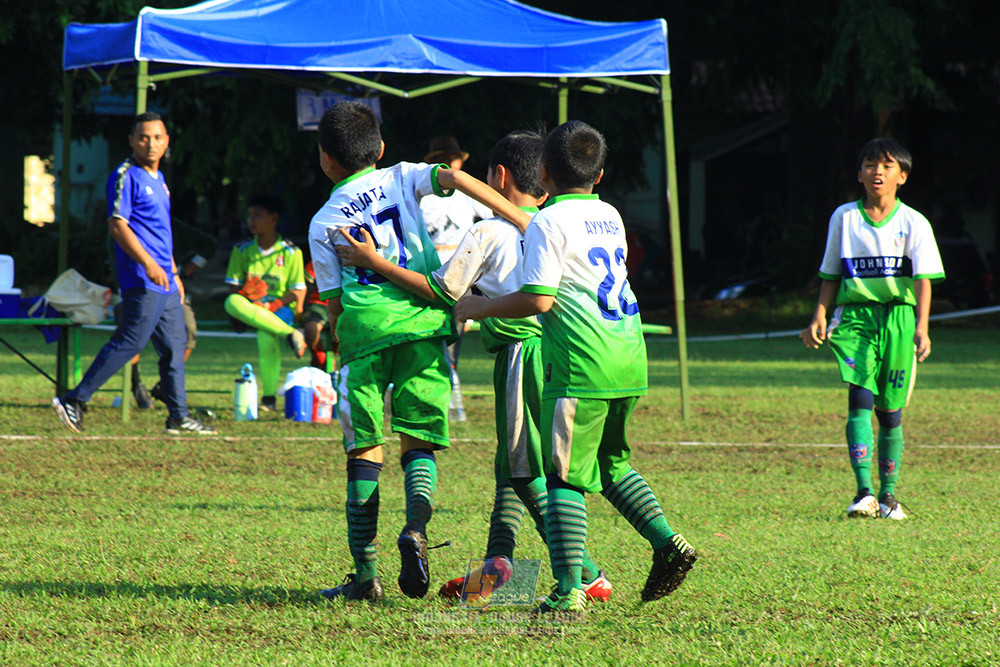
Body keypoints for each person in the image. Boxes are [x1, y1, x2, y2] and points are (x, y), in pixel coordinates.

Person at [336, 130, 613, 604]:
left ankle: (584, 574)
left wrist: (374, 262)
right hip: (565, 355)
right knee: (513, 470)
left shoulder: (488, 230)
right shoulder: (553, 223)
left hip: (519, 358)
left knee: (525, 475)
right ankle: (494, 570)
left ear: (498, 176)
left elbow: (443, 290)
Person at [455, 121, 697, 614]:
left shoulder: (548, 222)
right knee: (611, 466)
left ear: (543, 172)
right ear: (601, 174)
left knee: (562, 477)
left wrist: (477, 308)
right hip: (628, 354)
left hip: (581, 362)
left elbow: (540, 300)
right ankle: (668, 542)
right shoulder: (610, 214)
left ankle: (569, 590)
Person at [307, 101, 530, 604]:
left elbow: (336, 303)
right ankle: (416, 531)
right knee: (418, 443)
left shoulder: (322, 221)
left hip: (365, 330)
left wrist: (342, 332)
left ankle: (365, 578)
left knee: (365, 450)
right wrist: (519, 218)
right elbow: (458, 180)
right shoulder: (402, 175)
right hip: (425, 325)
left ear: (325, 159)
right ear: (380, 149)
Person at [800, 138, 945, 520]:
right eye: (869, 164)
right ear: (859, 173)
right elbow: (831, 273)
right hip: (856, 319)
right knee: (859, 399)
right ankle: (863, 492)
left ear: (903, 176)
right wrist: (819, 314)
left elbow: (923, 279)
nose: (877, 171)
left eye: (886, 165)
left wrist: (922, 326)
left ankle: (889, 496)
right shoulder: (844, 218)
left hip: (898, 319)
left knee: (891, 413)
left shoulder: (914, 222)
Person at [51, 112, 216, 435]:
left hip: (166, 279)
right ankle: (74, 399)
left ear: (167, 140)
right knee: (130, 341)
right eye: (143, 137)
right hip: (143, 279)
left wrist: (172, 270)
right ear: (132, 141)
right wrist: (150, 265)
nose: (150, 143)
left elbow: (160, 230)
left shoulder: (160, 179)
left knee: (174, 344)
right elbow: (117, 225)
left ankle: (178, 416)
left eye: (157, 137)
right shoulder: (126, 175)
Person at [419, 136, 492, 422]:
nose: (450, 163)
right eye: (444, 158)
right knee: (430, 331)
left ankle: (450, 390)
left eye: (454, 158)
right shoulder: (423, 195)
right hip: (428, 270)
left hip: (461, 271)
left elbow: (492, 214)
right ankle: (433, 391)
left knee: (454, 333)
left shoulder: (467, 192)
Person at [223, 193, 307, 412]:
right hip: (250, 307)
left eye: (257, 216)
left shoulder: (290, 252)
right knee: (231, 301)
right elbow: (233, 287)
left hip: (280, 309)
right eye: (249, 216)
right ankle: (291, 334)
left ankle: (269, 397)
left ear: (273, 219)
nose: (251, 221)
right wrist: (246, 294)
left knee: (265, 335)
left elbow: (296, 291)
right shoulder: (242, 249)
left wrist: (272, 305)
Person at [302, 259, 336, 372]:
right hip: (319, 303)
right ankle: (319, 358)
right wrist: (303, 308)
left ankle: (333, 359)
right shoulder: (320, 257)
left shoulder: (350, 255)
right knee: (312, 327)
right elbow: (306, 285)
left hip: (343, 302)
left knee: (341, 330)